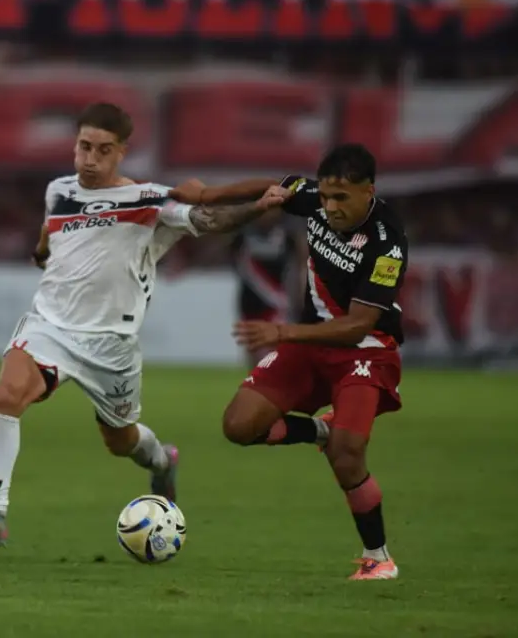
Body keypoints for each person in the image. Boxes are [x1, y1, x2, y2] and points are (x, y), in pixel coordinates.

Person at [0, 102, 278, 548]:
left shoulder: (150, 200)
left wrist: (257, 206)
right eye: (83, 147)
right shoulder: (58, 190)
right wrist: (42, 252)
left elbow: (210, 219)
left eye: (103, 150)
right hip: (48, 327)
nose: (90, 159)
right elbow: (47, 237)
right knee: (6, 395)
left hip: (112, 344)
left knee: (121, 440)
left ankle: (161, 460)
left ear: (122, 153)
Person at [170, 143, 407, 581]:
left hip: (366, 352)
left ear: (368, 191)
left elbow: (357, 326)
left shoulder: (387, 242)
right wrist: (206, 195)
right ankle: (318, 429)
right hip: (310, 344)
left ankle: (378, 557)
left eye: (342, 199)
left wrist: (282, 332)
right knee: (239, 425)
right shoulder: (316, 198)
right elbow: (271, 186)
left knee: (348, 453)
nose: (330, 207)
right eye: (326, 197)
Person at [229, 207, 304, 364]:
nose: (267, 216)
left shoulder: (287, 239)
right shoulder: (242, 239)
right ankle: (255, 385)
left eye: (272, 211)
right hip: (249, 303)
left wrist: (299, 297)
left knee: (276, 355)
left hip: (276, 305)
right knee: (254, 354)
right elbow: (234, 263)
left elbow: (299, 267)